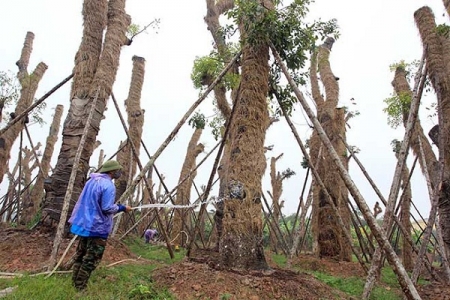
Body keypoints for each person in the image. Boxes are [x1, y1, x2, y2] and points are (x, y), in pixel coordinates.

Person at [68, 160, 131, 291]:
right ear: (112, 171)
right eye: (118, 170)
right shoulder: (108, 185)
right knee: (91, 259)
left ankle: (74, 283)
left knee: (81, 254)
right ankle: (80, 287)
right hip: (98, 227)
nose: (120, 172)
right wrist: (122, 208)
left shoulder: (91, 181)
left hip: (86, 224)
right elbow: (107, 208)